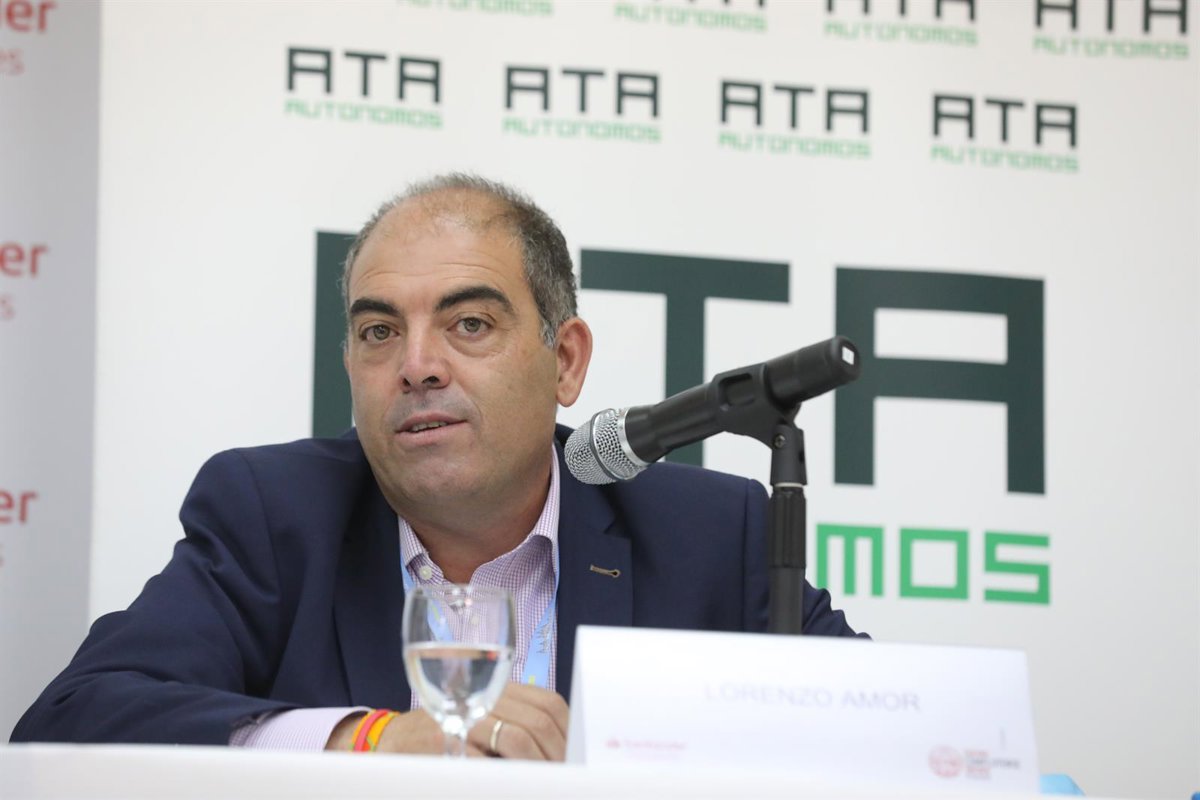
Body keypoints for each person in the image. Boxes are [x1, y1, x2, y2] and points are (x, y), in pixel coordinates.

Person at [11, 174, 864, 759]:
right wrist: (369, 739)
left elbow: (889, 733)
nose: (417, 365)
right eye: (380, 331)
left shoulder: (712, 534)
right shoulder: (275, 517)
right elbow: (71, 719)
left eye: (469, 325)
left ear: (565, 361)